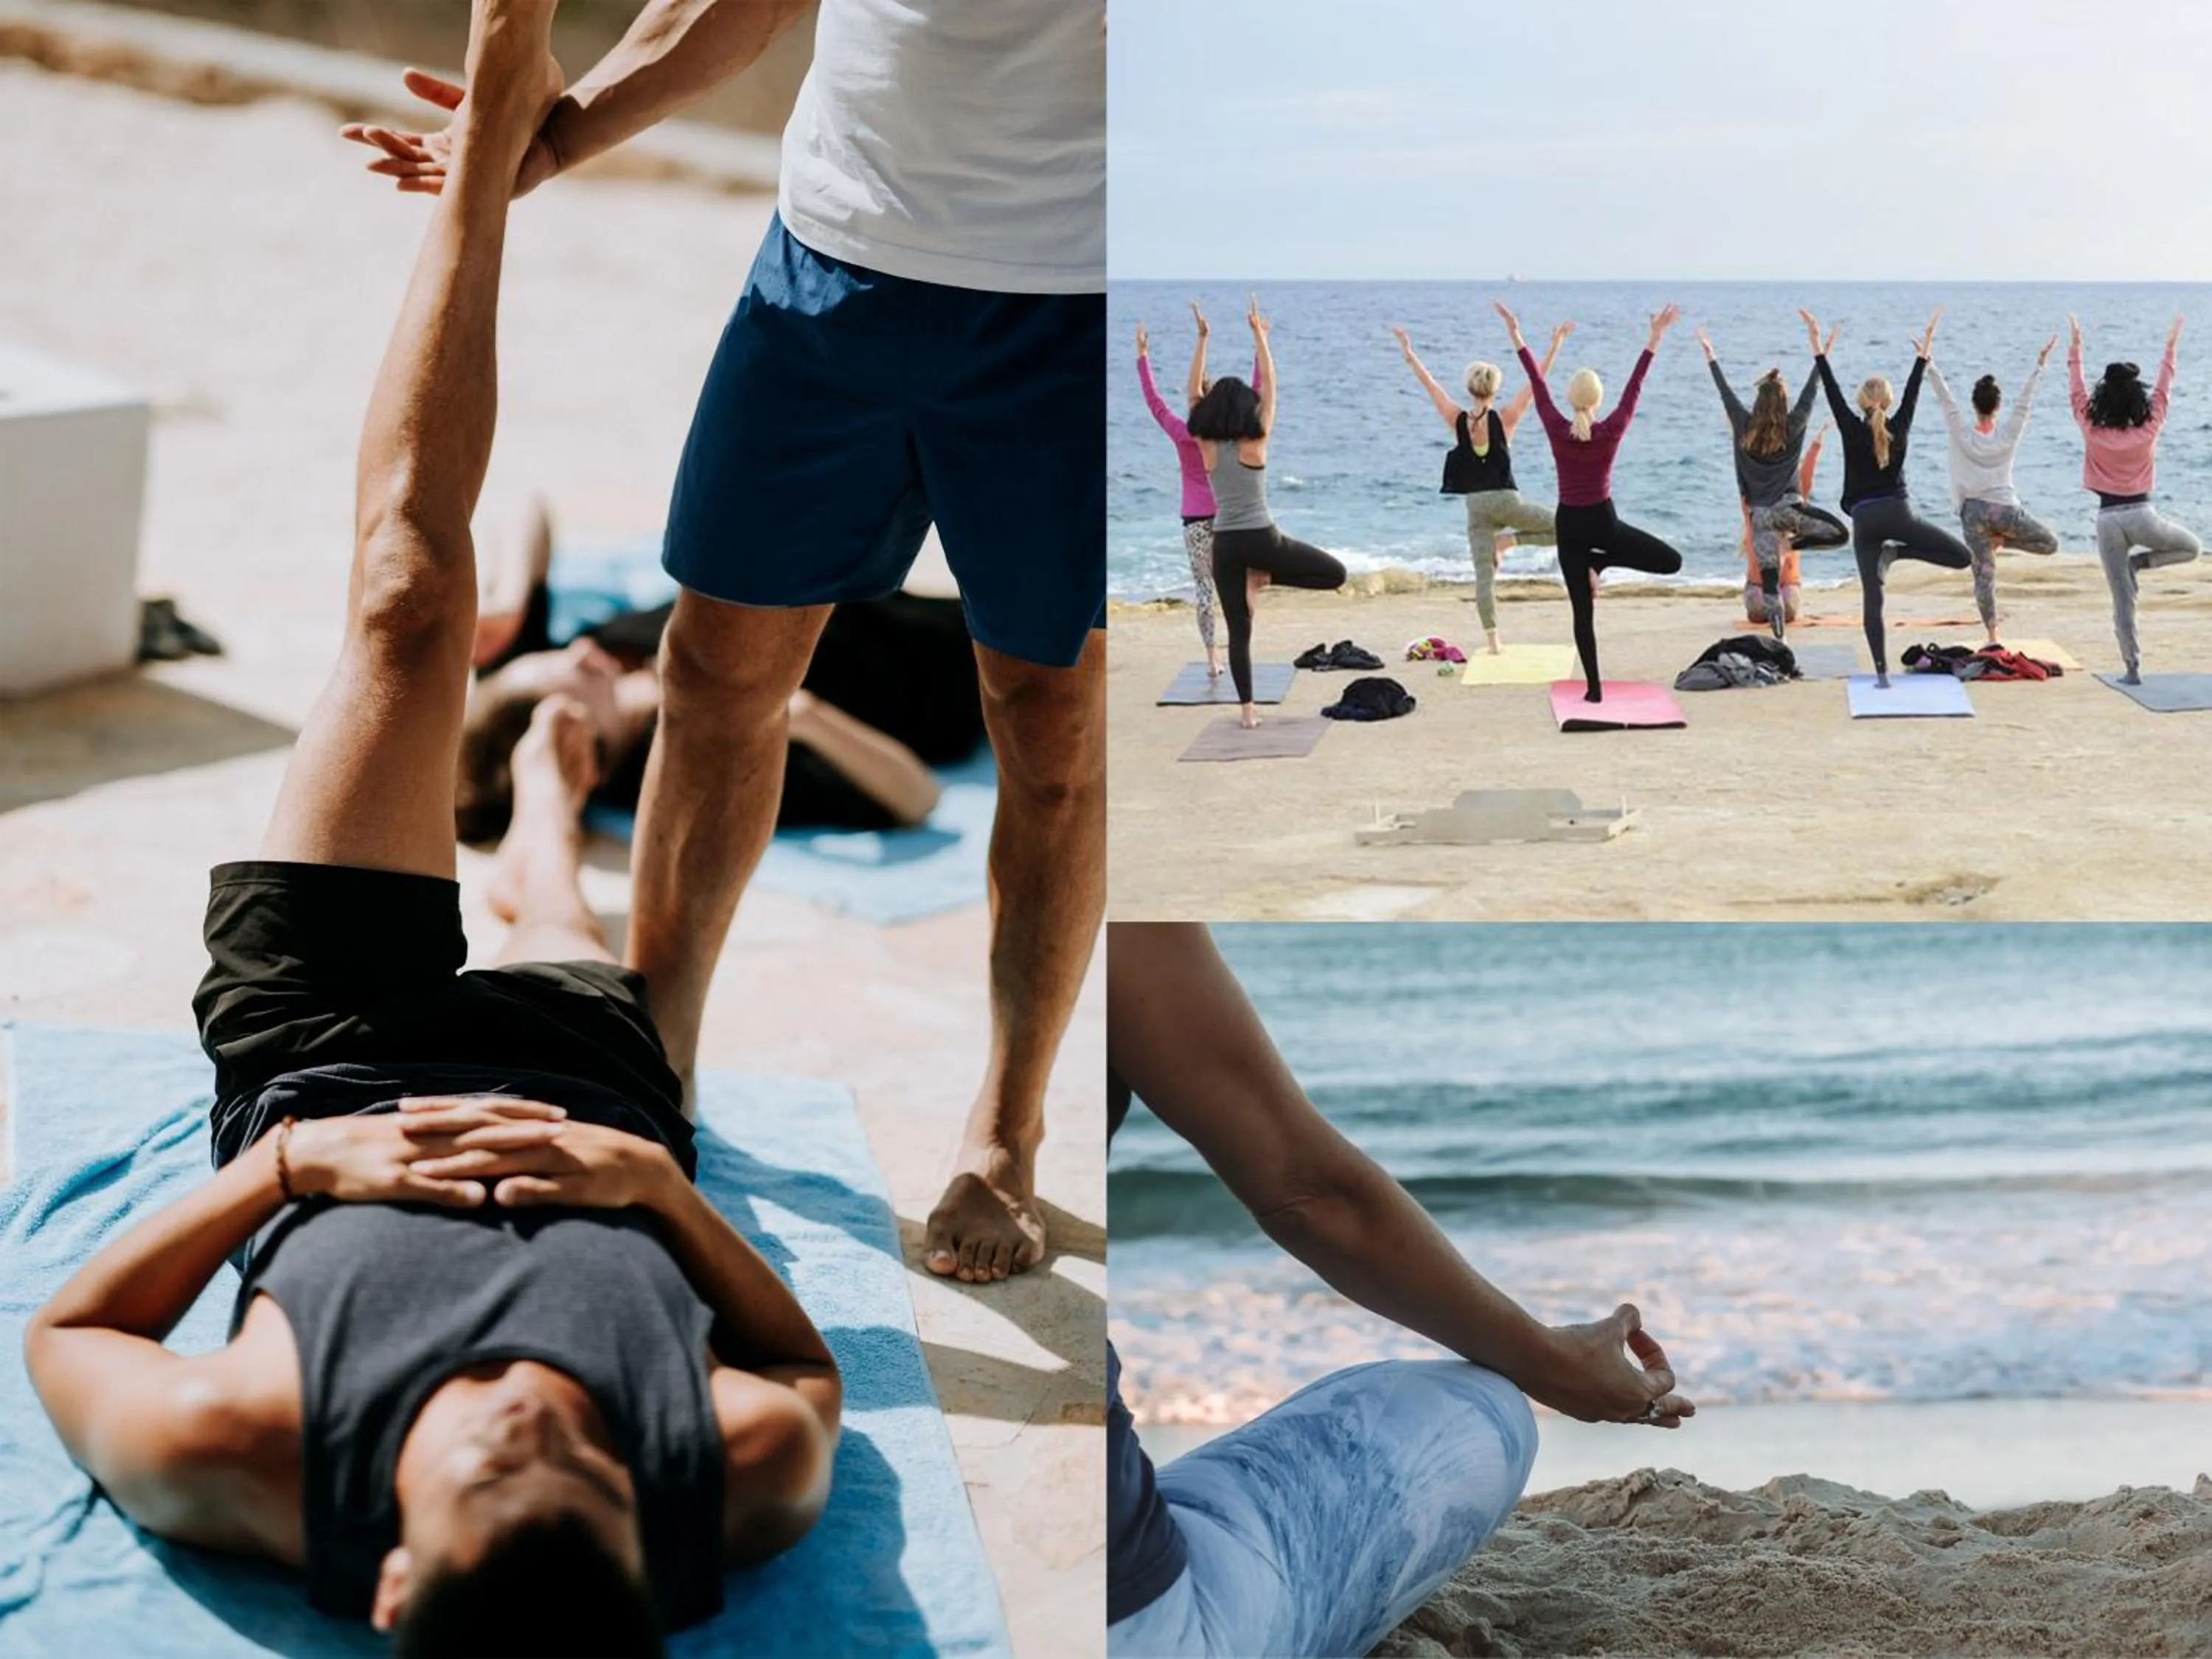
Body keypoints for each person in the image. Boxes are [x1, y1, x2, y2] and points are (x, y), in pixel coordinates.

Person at [27, 13, 841, 1653]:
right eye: (598, 1471)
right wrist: (656, 1197)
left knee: (410, 604)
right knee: (555, 922)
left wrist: (283, 1168)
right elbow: (805, 1376)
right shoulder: (737, 1479)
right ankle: (540, 803)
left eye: (483, 1461)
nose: (537, 1420)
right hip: (589, 1102)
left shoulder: (234, 1454)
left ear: (388, 1577)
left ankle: (496, 101)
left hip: (324, 1062)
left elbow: (65, 1336)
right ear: (650, 1544)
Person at [345, 0, 1107, 1284]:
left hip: (1075, 301)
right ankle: (662, 1066)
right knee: (713, 676)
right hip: (831, 270)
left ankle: (1006, 1127)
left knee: (1051, 724)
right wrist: (550, 136)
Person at [1105, 925, 1694, 1659]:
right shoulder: (1110, 910)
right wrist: (1553, 1365)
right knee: (1486, 1414)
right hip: (1123, 1626)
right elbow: (1314, 1196)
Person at [458, 498, 984, 902]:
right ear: (585, 752)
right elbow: (919, 798)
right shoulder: (702, 760)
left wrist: (508, 600)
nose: (580, 650)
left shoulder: (536, 678)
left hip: (869, 597)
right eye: (579, 673)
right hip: (948, 667)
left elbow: (527, 510)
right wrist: (804, 718)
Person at [1500, 299, 1686, 702]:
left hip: (1570, 526)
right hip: (1604, 523)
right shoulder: (1612, 428)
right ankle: (1601, 562)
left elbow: (1536, 384)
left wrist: (1516, 334)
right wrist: (1655, 337)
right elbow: (1635, 388)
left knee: (1582, 615)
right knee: (1671, 562)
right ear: (1598, 400)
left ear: (1571, 399)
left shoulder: (1554, 425)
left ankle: (1595, 691)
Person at [1187, 296, 1349, 728]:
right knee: (1336, 574)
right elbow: (1272, 386)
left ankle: (1247, 713)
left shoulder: (1206, 448)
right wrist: (1259, 335)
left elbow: (1192, 395)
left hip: (1225, 545)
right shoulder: (1255, 445)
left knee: (1239, 633)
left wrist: (1202, 340)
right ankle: (1268, 576)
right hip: (1264, 539)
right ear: (1245, 409)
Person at [1804, 307, 1971, 686]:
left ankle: (1881, 676)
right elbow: (1914, 393)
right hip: (1899, 516)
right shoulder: (1900, 426)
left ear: (1862, 402)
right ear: (1889, 403)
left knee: (1872, 600)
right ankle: (1897, 553)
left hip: (1864, 521)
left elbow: (1829, 391)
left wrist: (1818, 348)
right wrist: (1923, 355)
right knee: (1963, 558)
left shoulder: (1850, 427)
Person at [1390, 319, 1571, 655]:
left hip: (1475, 507)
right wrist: (1555, 345)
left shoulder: (1456, 419)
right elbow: (1536, 383)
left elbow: (1431, 387)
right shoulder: (1506, 418)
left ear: (1470, 387)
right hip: (1505, 501)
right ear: (1495, 388)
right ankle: (1510, 542)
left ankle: (1493, 642)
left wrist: (1409, 353)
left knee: (1483, 578)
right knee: (1565, 528)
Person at [2068, 313, 2198, 684]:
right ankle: (2141, 564)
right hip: (2143, 515)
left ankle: (2132, 669)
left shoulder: (2091, 427)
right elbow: (2163, 390)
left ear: (2104, 395)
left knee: (2123, 601)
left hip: (2108, 520)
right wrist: (2170, 347)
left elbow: (2076, 393)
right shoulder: (2150, 426)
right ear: (2136, 393)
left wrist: (2076, 349)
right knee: (2192, 548)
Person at [1133, 304, 1260, 680]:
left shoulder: (1183, 432)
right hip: (1229, 519)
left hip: (1195, 522)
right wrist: (1259, 345)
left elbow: (1154, 403)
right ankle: (1241, 651)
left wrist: (1143, 357)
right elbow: (1256, 395)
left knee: (1204, 592)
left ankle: (1212, 659)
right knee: (1238, 589)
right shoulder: (1229, 434)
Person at [1699, 327, 1849, 642]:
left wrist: (1711, 356)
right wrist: (1822, 352)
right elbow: (1812, 391)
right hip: (1790, 511)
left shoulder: (1743, 426)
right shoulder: (1793, 427)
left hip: (1762, 518)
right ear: (1783, 403)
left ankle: (1779, 644)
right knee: (1840, 535)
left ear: (1758, 402)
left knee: (1770, 590)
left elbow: (1725, 393)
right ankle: (1790, 546)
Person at [1927, 335, 2062, 644]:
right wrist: (2040, 366)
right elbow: (2025, 405)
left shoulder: (1961, 431)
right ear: (1998, 406)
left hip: (1973, 513)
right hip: (2006, 511)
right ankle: (2001, 541)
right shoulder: (2008, 433)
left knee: (1984, 575)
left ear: (1974, 406)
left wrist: (1930, 363)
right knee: (2050, 543)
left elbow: (1945, 399)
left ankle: (1992, 634)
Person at [1736, 422, 1832, 625]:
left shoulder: (1755, 505)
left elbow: (1745, 478)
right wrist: (1816, 444)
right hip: (1788, 594)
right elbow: (1805, 482)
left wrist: (1741, 440)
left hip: (1757, 593)